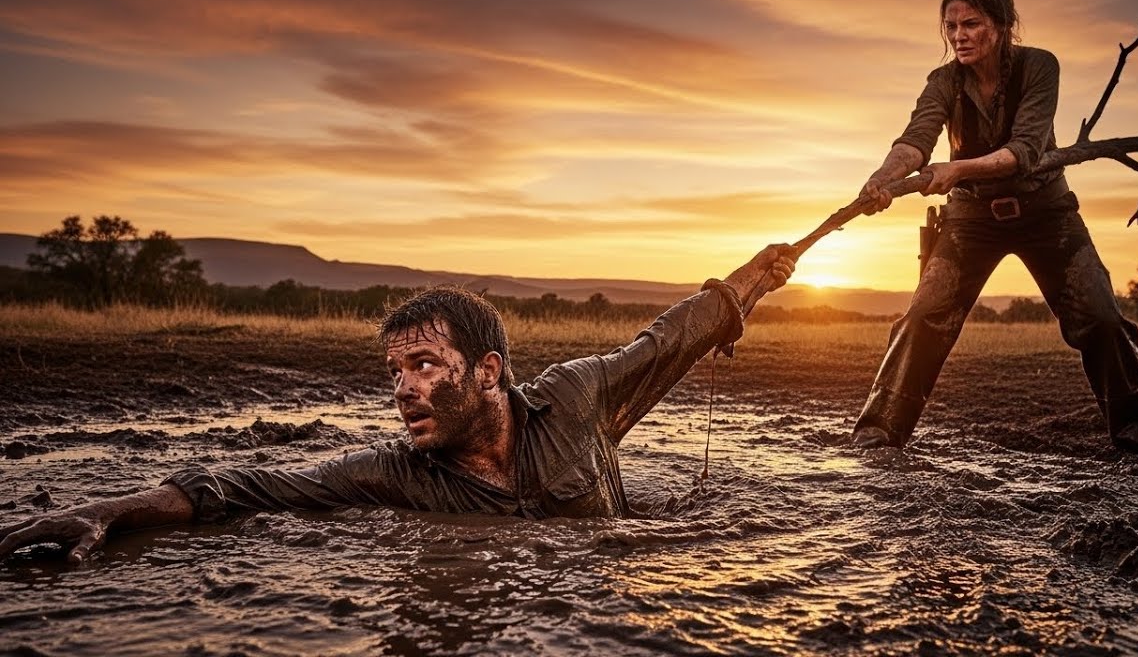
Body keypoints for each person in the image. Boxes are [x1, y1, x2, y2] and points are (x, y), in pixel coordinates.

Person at [0, 246, 796, 565]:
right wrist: (108, 509)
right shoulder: (390, 472)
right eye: (393, 372)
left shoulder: (579, 397)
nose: (403, 388)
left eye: (423, 364)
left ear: (487, 372)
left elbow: (668, 337)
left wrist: (753, 281)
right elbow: (247, 485)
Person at [851, 0, 1138, 458]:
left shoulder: (1039, 67)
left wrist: (958, 169)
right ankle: (878, 431)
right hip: (970, 219)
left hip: (1046, 212)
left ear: (1004, 23)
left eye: (972, 24)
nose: (959, 36)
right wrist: (883, 177)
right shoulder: (943, 82)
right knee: (923, 316)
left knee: (1099, 316)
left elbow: (1025, 150)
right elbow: (915, 140)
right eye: (950, 26)